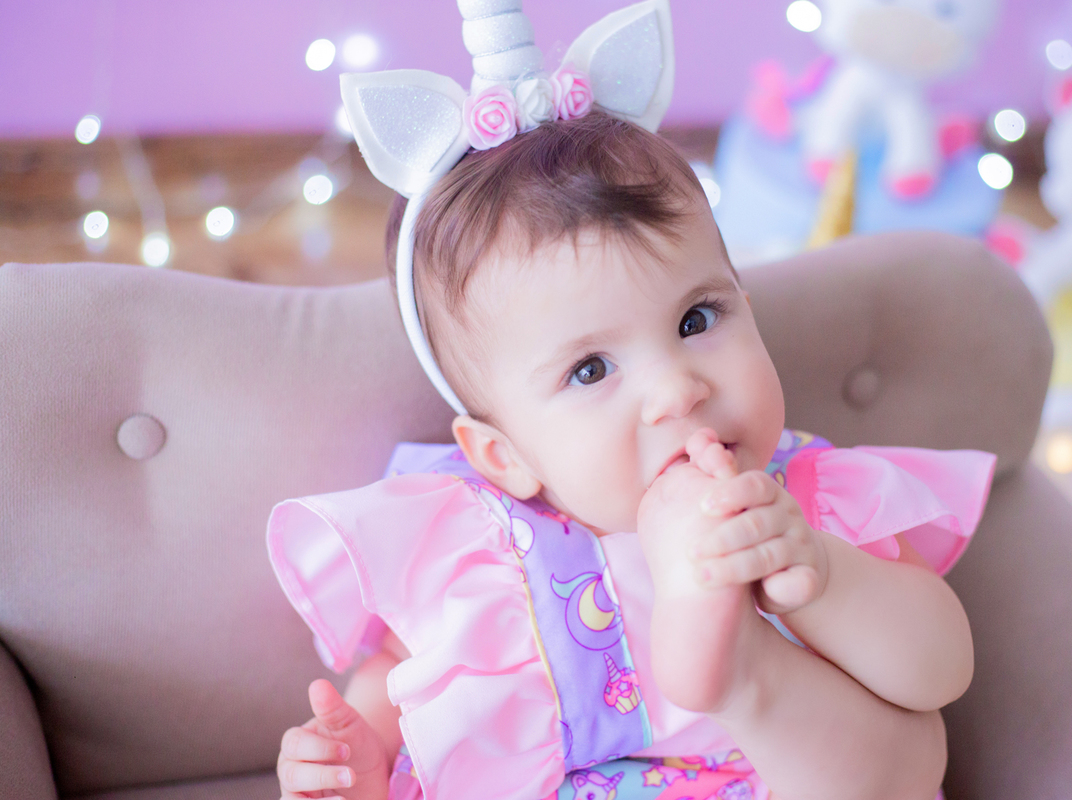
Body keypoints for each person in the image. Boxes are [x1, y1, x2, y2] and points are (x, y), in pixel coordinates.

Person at [266, 4, 994, 799]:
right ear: (504, 456)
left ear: (747, 302)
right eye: (590, 371)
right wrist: (358, 763)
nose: (679, 390)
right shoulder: (480, 552)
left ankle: (746, 677)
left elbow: (940, 671)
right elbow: (399, 685)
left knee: (909, 748)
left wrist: (818, 571)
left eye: (696, 319)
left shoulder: (801, 503)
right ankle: (737, 671)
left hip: (774, 778)